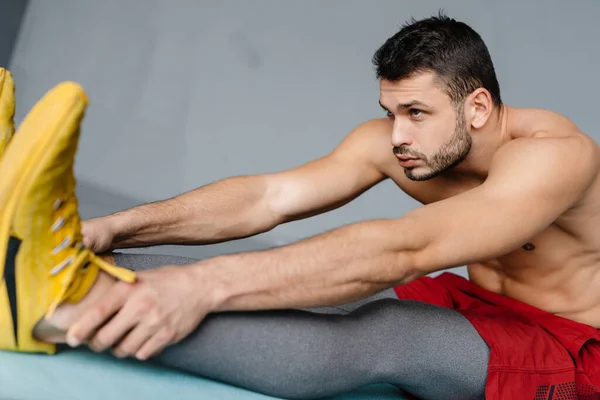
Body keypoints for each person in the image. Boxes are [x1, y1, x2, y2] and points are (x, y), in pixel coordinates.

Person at [1, 13, 600, 400]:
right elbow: (268, 197)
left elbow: (408, 247)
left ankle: (60, 302)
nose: (396, 136)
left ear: (476, 108)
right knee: (318, 283)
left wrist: (201, 287)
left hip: (566, 343)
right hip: (470, 299)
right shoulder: (404, 143)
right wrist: (110, 227)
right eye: (392, 112)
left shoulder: (554, 157)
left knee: (384, 330)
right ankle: (29, 258)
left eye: (417, 113)